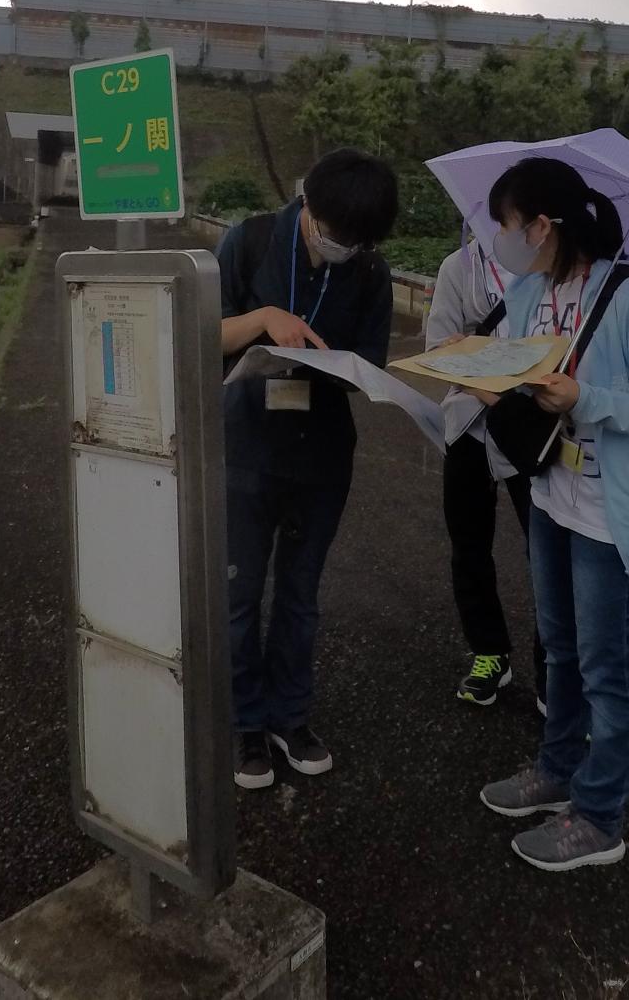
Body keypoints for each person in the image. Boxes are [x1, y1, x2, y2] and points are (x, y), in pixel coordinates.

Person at [474, 157, 629, 872]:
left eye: (507, 225)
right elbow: (515, 369)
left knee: (609, 666)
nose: (501, 238)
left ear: (542, 225)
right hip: (553, 496)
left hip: (614, 511)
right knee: (561, 648)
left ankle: (601, 816)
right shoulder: (528, 291)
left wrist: (587, 400)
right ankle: (557, 768)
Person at [217, 148, 399, 791]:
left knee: (300, 594)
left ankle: (288, 717)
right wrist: (264, 320)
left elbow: (370, 362)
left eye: (360, 240)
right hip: (243, 448)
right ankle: (242, 722)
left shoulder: (370, 271)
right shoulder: (250, 241)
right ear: (308, 204)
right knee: (237, 594)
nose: (345, 246)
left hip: (321, 455)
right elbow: (195, 332)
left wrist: (340, 368)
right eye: (335, 231)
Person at [427, 233, 545, 709]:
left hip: (531, 428)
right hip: (469, 425)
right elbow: (438, 349)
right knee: (469, 547)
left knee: (546, 551)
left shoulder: (549, 268)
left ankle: (551, 665)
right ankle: (489, 652)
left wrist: (484, 365)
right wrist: (471, 368)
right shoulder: (459, 267)